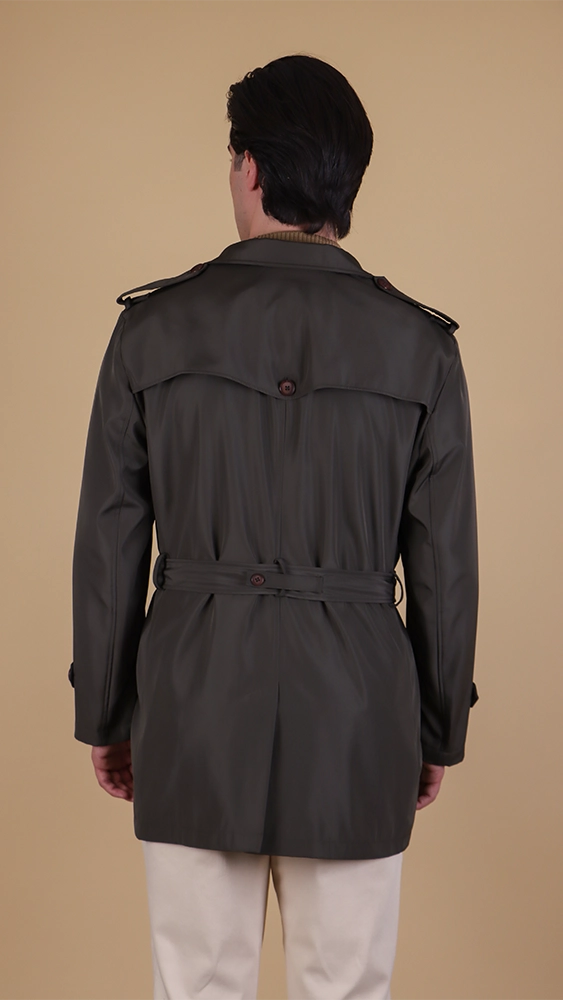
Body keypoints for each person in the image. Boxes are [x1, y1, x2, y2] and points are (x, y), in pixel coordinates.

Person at [69, 53, 479, 1000]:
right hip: (359, 717)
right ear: (347, 182)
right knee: (346, 988)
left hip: (191, 704)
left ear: (248, 166)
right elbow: (445, 563)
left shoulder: (152, 330)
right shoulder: (421, 347)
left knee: (195, 986)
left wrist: (108, 711)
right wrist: (434, 726)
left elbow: (109, 540)